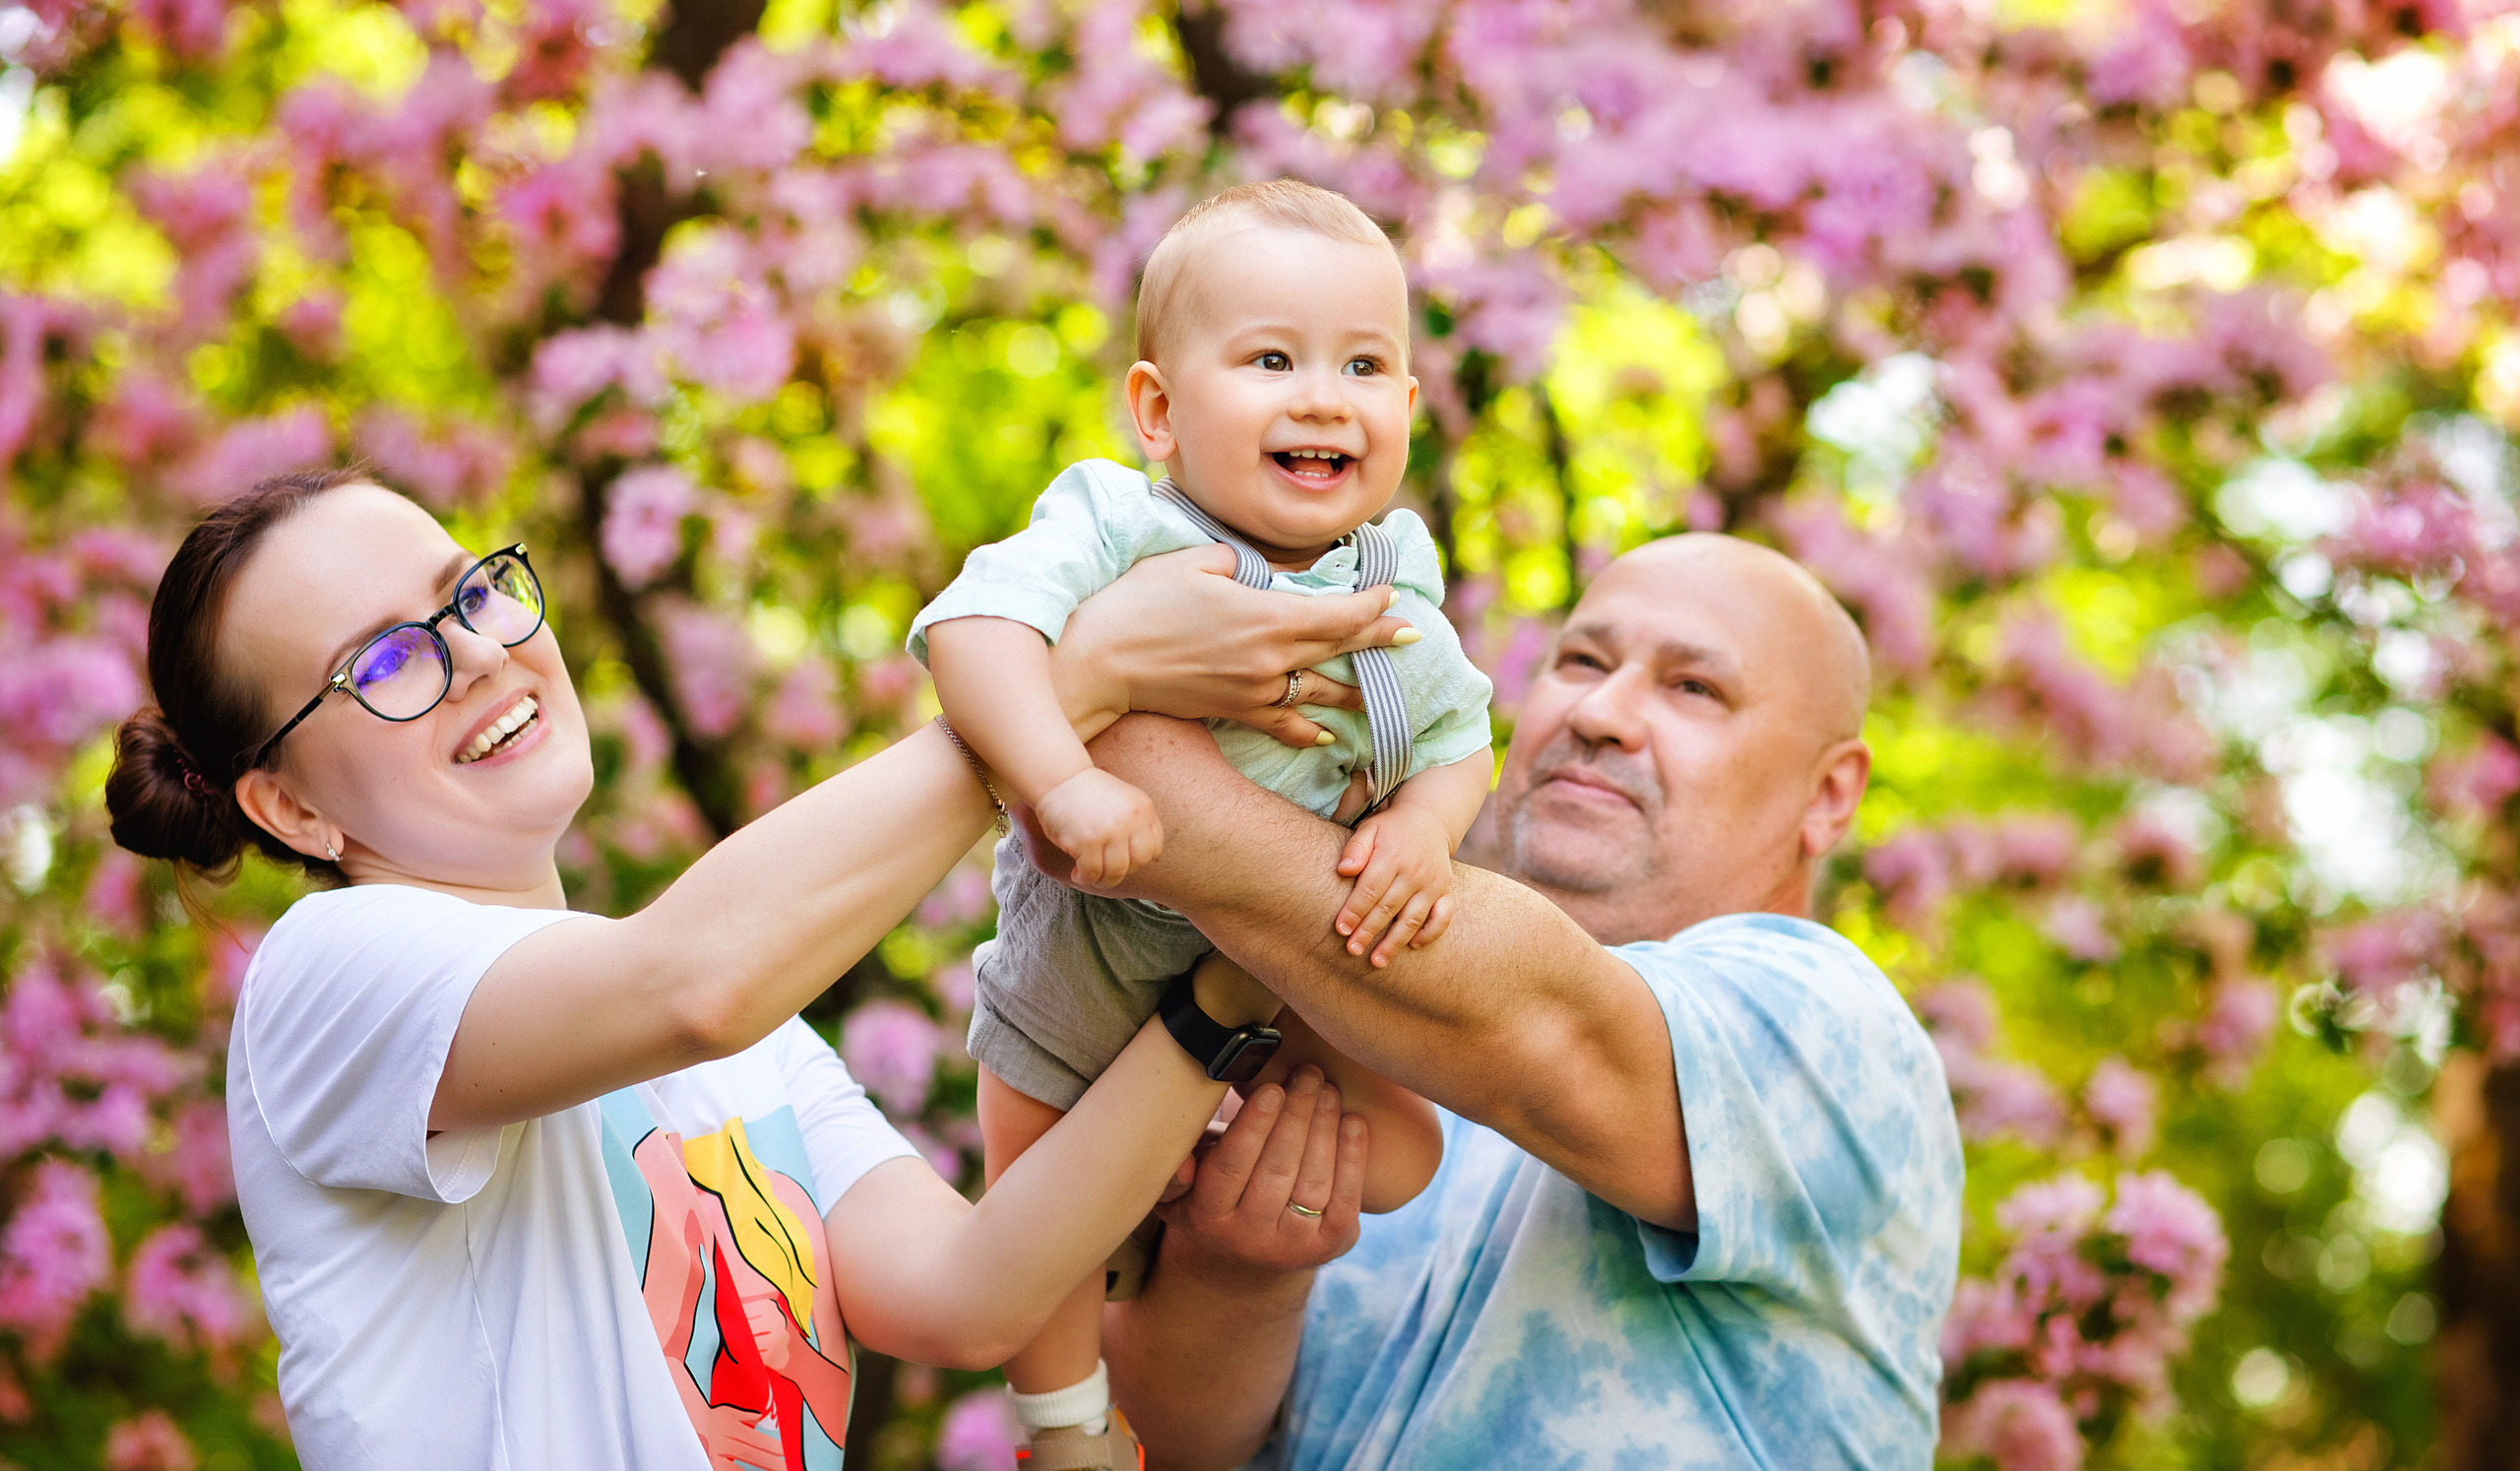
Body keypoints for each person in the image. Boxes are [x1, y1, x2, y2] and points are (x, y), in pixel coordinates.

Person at [98, 469, 1404, 1471]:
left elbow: (977, 1290)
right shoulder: (325, 974)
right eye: (383, 661)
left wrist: (1225, 978)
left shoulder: (744, 1051)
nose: (482, 650)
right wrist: (1062, 688)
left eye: (471, 590)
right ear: (292, 809)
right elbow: (695, 975)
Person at [1070, 534, 1967, 1469]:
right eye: (1581, 661)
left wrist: (1108, 738)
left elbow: (1547, 1025)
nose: (1601, 712)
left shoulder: (1833, 1020)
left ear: (1829, 794)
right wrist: (1241, 1278)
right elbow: (1166, 1445)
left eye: (1693, 687)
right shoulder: (1354, 1034)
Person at [907, 181, 1491, 1465]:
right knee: (1035, 1215)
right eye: (1272, 358)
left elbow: (1460, 739)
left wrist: (1428, 828)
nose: (1322, 394)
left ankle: (1188, 1152)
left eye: (1364, 364)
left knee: (1398, 1155)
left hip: (1268, 980)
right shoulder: (1120, 523)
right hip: (1087, 963)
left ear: (1403, 411)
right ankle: (1064, 1423)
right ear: (1160, 410)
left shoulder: (1392, 591)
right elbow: (972, 630)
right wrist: (1062, 776)